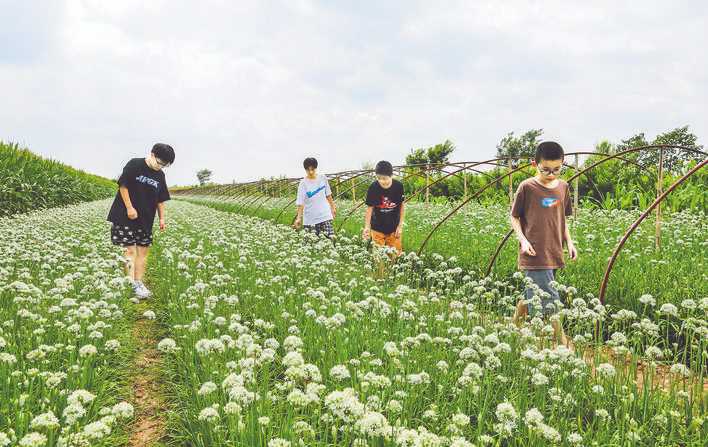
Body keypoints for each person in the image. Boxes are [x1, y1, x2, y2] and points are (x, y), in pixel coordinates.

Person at [510, 141, 577, 345]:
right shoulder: (527, 187)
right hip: (534, 253)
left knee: (530, 294)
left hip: (554, 251)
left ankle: (513, 330)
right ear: (534, 164)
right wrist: (522, 240)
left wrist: (570, 242)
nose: (551, 174)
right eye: (546, 169)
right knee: (550, 299)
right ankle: (563, 343)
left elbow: (563, 219)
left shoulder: (563, 187)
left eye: (557, 169)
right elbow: (514, 217)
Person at [107, 143, 174, 299]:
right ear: (151, 154)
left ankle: (138, 282)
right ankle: (130, 283)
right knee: (130, 250)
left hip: (146, 219)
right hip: (125, 216)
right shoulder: (135, 164)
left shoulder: (160, 175)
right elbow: (123, 186)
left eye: (165, 165)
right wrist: (129, 208)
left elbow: (160, 199)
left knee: (143, 251)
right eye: (159, 163)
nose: (160, 167)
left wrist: (162, 218)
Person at [362, 161, 405, 257]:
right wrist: (367, 227)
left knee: (395, 255)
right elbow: (369, 209)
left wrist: (400, 226)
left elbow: (402, 206)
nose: (382, 181)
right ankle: (380, 272)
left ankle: (392, 271)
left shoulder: (398, 187)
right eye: (379, 178)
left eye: (385, 178)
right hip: (377, 228)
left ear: (391, 176)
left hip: (394, 228)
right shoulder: (373, 188)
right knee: (378, 257)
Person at [293, 157, 336, 238]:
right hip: (310, 219)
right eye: (308, 170)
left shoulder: (323, 178)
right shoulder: (303, 183)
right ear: (305, 170)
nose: (311, 172)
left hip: (325, 215)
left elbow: (328, 195)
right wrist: (298, 218)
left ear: (316, 168)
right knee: (312, 243)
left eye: (313, 169)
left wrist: (333, 207)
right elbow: (300, 202)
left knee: (329, 240)